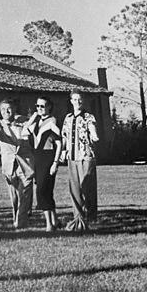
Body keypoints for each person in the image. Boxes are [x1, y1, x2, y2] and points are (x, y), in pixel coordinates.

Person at [0, 97, 35, 229]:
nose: (6, 112)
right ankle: (17, 217)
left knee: (25, 192)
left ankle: (21, 222)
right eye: (3, 109)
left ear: (14, 109)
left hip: (25, 163)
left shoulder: (24, 121)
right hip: (9, 164)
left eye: (9, 109)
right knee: (14, 196)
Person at [61, 91, 100, 231]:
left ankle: (91, 216)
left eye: (80, 100)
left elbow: (92, 128)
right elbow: (64, 136)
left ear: (83, 101)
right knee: (75, 188)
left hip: (86, 156)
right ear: (71, 101)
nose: (77, 102)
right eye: (75, 99)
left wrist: (94, 136)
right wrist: (62, 151)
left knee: (87, 186)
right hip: (72, 157)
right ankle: (78, 216)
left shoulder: (88, 116)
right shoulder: (68, 117)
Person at [24, 96, 62, 232]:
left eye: (42, 106)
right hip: (37, 157)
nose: (39, 109)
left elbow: (59, 142)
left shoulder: (53, 121)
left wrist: (55, 162)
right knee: (46, 190)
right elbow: (24, 133)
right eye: (37, 106)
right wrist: (32, 119)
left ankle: (49, 224)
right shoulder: (37, 121)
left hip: (48, 157)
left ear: (49, 107)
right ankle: (54, 220)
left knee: (42, 190)